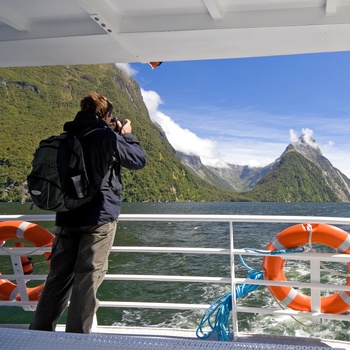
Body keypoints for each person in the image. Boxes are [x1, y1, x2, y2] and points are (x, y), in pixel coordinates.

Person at [29, 92, 146, 334]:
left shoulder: (68, 135)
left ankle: (39, 334)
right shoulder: (105, 136)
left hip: (66, 216)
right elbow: (137, 160)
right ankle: (76, 341)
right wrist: (126, 135)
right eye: (110, 116)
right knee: (87, 281)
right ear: (105, 115)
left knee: (57, 279)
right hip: (98, 219)